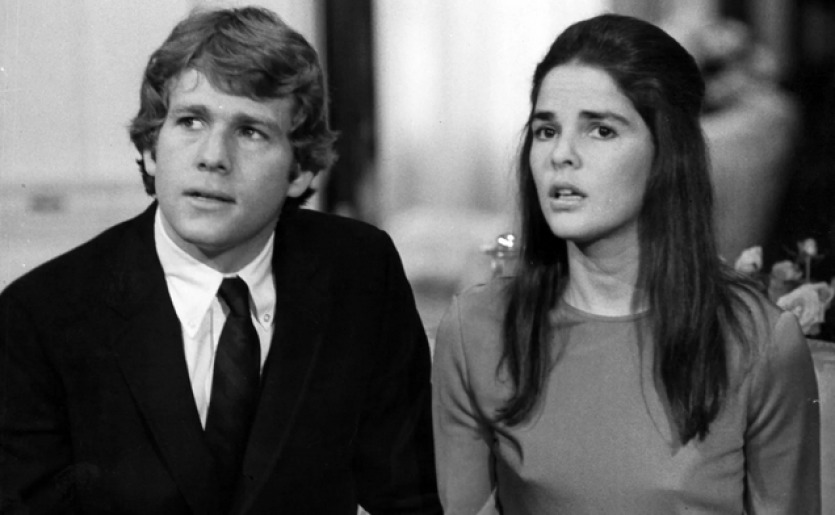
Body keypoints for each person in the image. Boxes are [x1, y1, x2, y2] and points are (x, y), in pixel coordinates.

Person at [0, 6, 441, 514]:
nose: (213, 156)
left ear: (299, 170)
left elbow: (409, 498)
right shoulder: (41, 316)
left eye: (250, 131)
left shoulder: (360, 273)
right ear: (151, 149)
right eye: (191, 121)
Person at [432, 14, 820, 514]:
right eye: (546, 130)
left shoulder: (756, 340)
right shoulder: (478, 329)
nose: (561, 155)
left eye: (600, 130)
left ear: (667, 154)